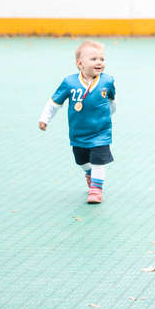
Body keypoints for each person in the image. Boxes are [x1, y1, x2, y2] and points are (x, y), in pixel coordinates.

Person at [38, 40, 116, 204]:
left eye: (102, 59)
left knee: (98, 161)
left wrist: (109, 114)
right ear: (80, 63)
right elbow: (54, 103)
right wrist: (45, 119)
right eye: (94, 59)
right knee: (81, 160)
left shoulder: (107, 81)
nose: (99, 62)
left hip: (101, 131)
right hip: (78, 132)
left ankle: (96, 189)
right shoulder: (69, 83)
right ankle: (88, 173)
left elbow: (111, 101)